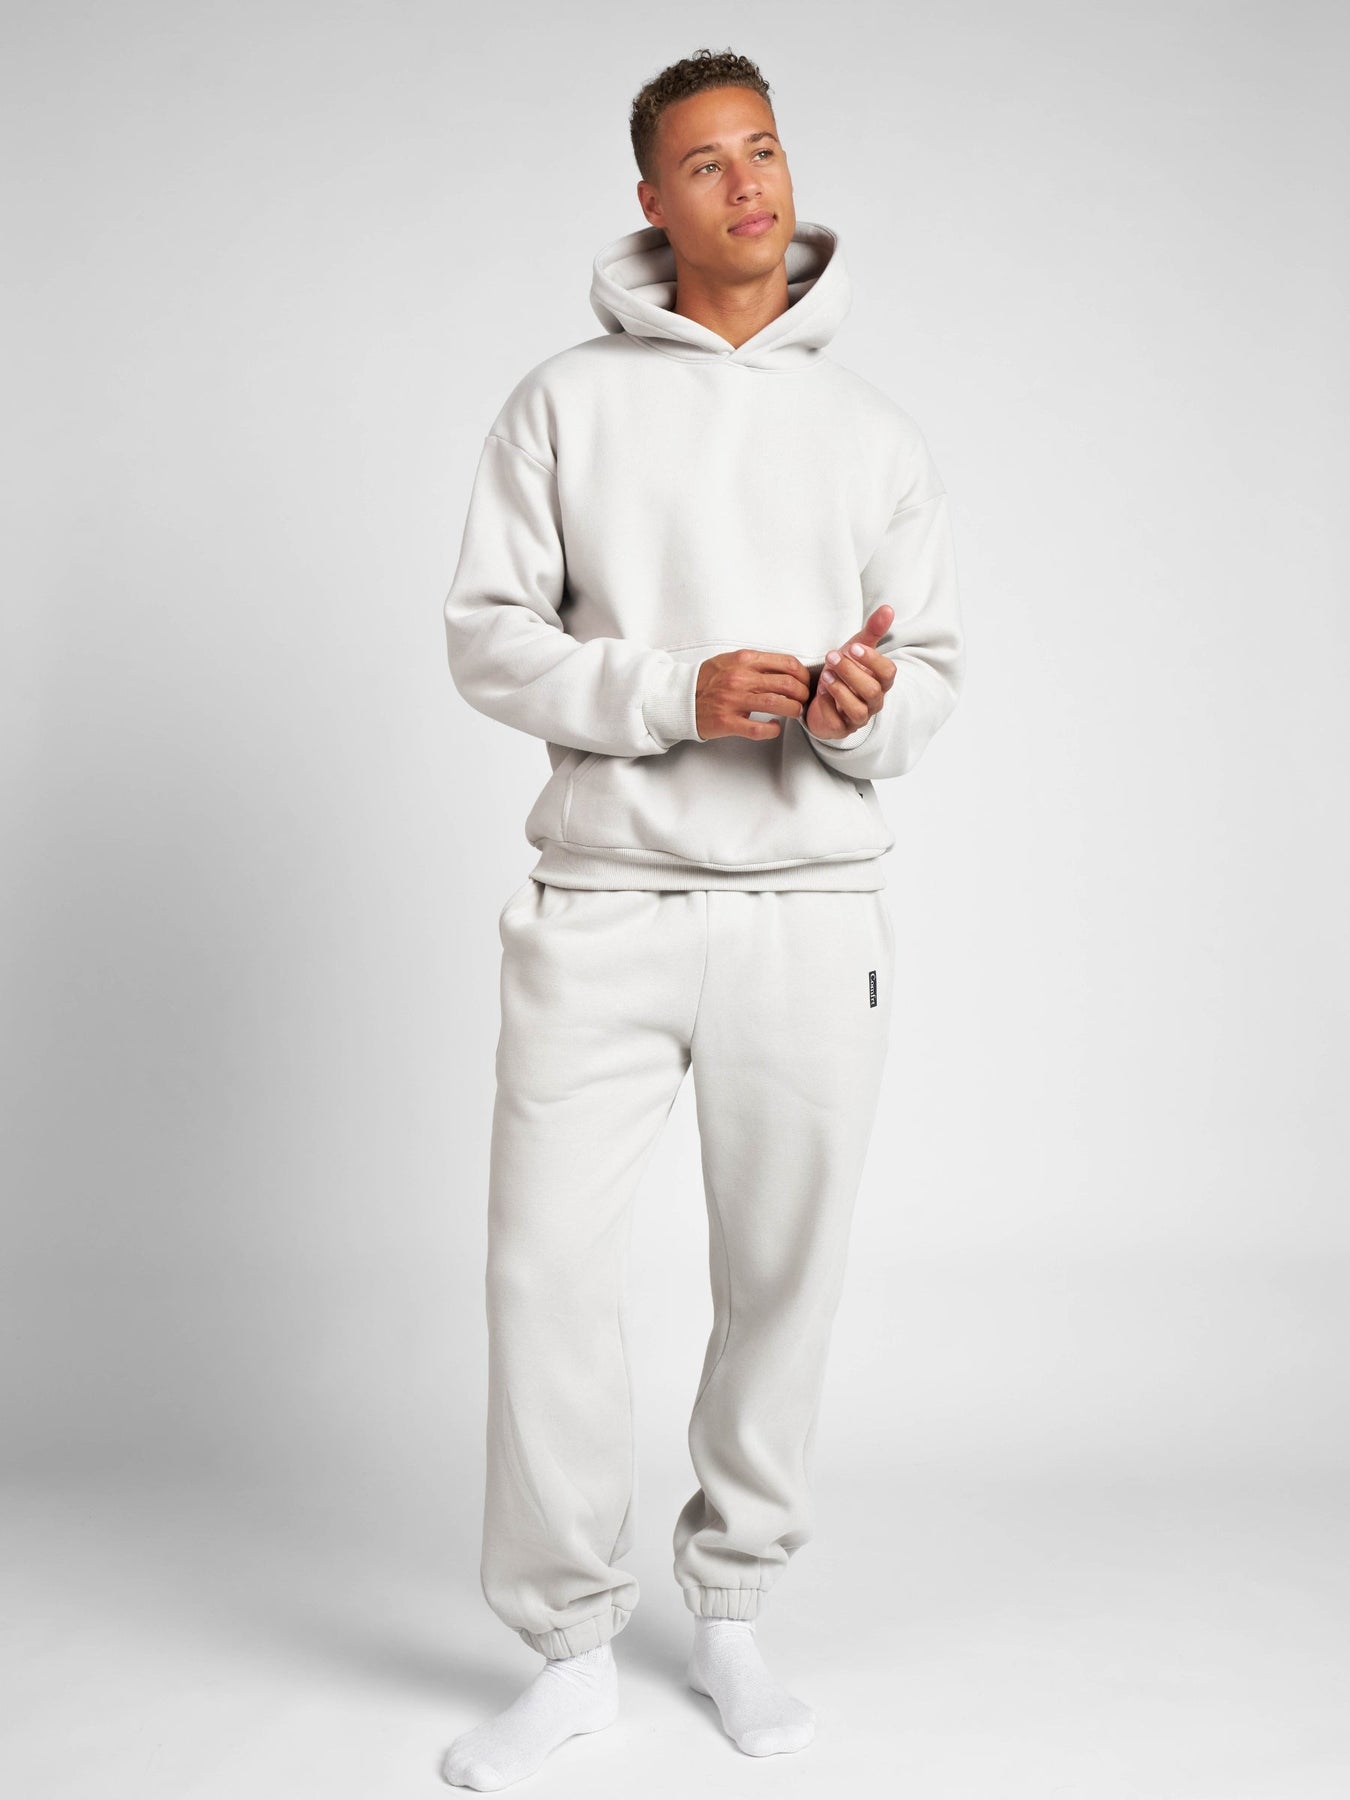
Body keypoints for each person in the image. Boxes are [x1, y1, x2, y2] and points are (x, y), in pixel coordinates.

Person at [438, 46, 964, 1791]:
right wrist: (671, 690)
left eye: (766, 149)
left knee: (781, 1277)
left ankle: (731, 1612)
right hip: (599, 903)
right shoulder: (561, 403)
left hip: (811, 915)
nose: (748, 183)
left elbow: (929, 678)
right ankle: (568, 1653)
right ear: (651, 201)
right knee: (544, 1278)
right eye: (707, 162)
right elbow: (486, 638)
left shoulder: (873, 431)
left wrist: (859, 710)